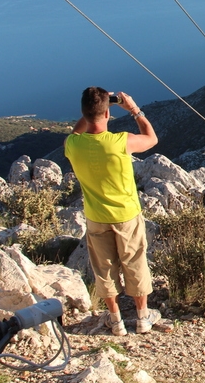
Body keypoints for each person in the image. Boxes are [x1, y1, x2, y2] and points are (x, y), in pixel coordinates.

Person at [64, 86, 160, 336]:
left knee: (103, 269)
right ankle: (142, 318)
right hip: (126, 214)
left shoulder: (73, 145)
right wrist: (134, 110)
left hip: (96, 216)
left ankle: (116, 321)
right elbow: (151, 138)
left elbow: (77, 130)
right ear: (107, 114)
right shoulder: (120, 141)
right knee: (135, 262)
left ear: (84, 114)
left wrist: (91, 113)